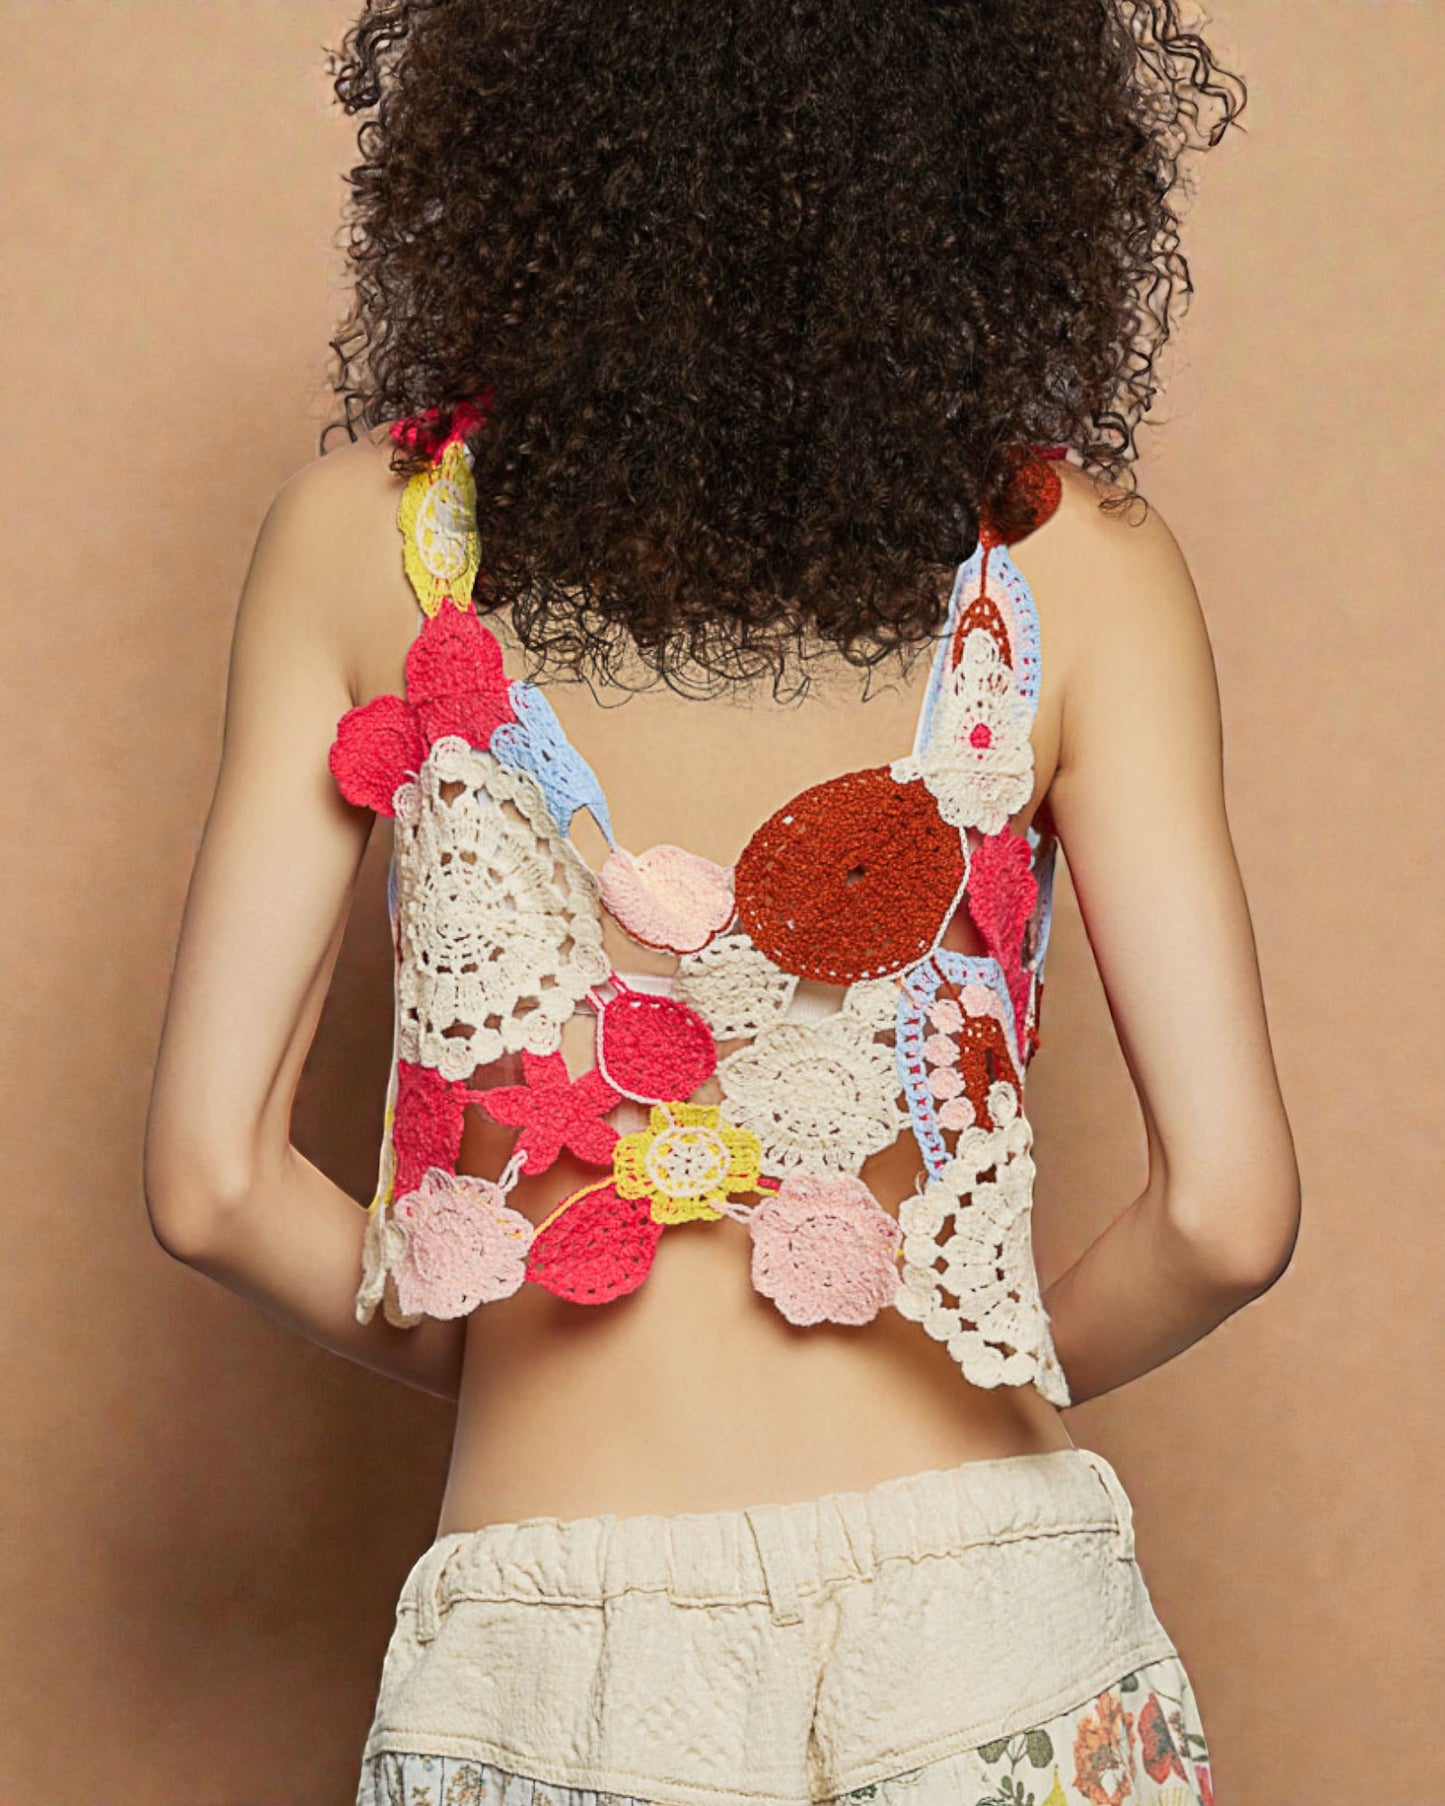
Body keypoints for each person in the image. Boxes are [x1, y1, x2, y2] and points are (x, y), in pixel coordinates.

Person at [143, 3, 1299, 1801]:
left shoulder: (363, 540)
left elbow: (210, 1182)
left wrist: (542, 1349)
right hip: (995, 1616)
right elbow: (1228, 1216)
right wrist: (955, 1341)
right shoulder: (1079, 566)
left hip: (554, 1658)